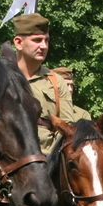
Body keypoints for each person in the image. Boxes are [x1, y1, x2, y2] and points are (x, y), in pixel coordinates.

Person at [12, 14, 78, 151]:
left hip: (46, 160)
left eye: (46, 40)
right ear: (18, 43)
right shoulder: (2, 78)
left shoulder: (55, 81)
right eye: (37, 40)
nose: (44, 46)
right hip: (8, 161)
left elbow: (67, 128)